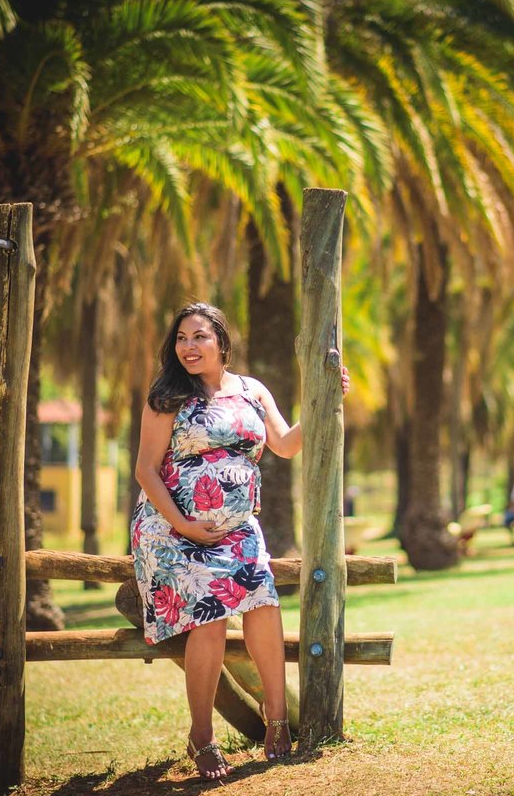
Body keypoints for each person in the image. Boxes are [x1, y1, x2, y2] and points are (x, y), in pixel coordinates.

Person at [130, 302, 349, 780]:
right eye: (181, 338)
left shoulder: (252, 391)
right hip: (173, 531)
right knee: (211, 617)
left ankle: (277, 719)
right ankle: (202, 736)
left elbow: (285, 445)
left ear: (222, 342)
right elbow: (145, 469)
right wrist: (185, 525)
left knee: (263, 602)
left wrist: (325, 396)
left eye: (199, 336)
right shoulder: (168, 396)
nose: (188, 346)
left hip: (238, 529)